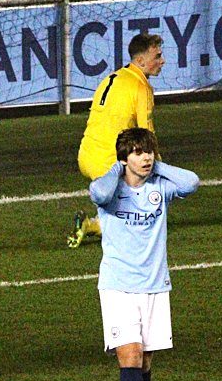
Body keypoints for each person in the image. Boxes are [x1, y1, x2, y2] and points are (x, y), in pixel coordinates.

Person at [89, 128, 199, 381]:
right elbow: (97, 193)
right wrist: (119, 168)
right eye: (137, 152)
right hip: (118, 287)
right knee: (131, 356)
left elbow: (192, 182)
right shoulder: (111, 191)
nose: (146, 157)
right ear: (125, 158)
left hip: (154, 286)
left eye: (148, 151)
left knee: (145, 363)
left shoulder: (160, 188)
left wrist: (156, 166)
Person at [68, 33, 165, 248]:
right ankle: (92, 224)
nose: (162, 60)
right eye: (157, 56)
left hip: (86, 153)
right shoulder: (141, 87)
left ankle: (105, 215)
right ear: (140, 61)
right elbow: (146, 132)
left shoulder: (113, 77)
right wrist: (159, 165)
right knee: (138, 219)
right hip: (109, 162)